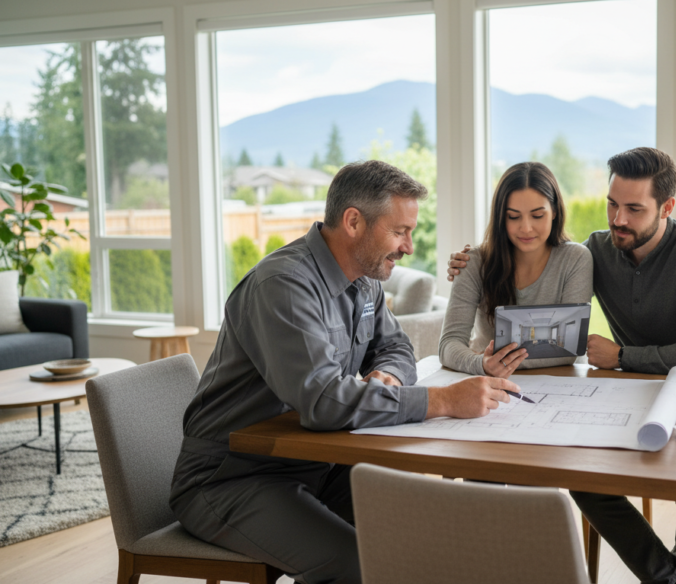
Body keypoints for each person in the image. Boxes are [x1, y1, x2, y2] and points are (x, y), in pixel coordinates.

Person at [169, 160, 520, 584]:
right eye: (399, 231)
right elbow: (321, 402)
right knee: (354, 566)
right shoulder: (283, 285)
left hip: (315, 463)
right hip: (233, 478)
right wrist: (443, 400)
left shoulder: (366, 278)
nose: (408, 246)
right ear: (354, 222)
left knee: (422, 534)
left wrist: (388, 376)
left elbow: (396, 346)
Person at [447, 147, 676, 584]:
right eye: (612, 204)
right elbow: (547, 267)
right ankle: (668, 579)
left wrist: (622, 357)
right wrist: (470, 262)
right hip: (624, 395)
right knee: (583, 474)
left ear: (668, 207)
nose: (618, 219)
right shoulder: (597, 249)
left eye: (634, 209)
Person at [439, 161, 593, 378]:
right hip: (487, 381)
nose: (526, 228)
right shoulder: (473, 263)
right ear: (501, 217)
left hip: (559, 382)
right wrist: (480, 364)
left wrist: (495, 361)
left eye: (537, 215)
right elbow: (449, 344)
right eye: (513, 216)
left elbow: (567, 352)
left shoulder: (576, 259)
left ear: (555, 211)